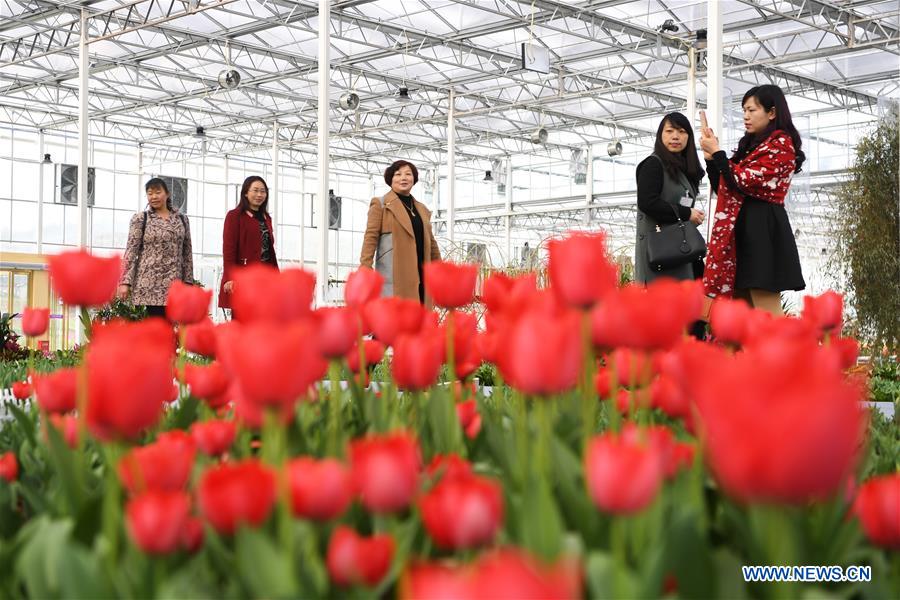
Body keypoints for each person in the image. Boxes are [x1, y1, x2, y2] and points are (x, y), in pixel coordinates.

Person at [699, 84, 806, 316]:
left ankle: (777, 352)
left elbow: (744, 180)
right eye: (744, 110)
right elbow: (725, 186)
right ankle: (743, 353)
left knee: (765, 311)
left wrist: (718, 153)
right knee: (741, 314)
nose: (746, 116)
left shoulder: (781, 146)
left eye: (752, 110)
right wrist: (711, 159)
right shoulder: (751, 147)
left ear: (772, 112)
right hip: (742, 234)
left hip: (762, 233)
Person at [634, 111, 706, 284]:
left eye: (682, 132)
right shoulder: (653, 164)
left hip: (679, 253)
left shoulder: (686, 171)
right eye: (669, 131)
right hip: (659, 254)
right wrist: (687, 213)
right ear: (660, 136)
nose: (675, 136)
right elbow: (647, 202)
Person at [360, 160, 441, 304]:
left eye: (408, 174)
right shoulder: (381, 204)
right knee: (398, 318)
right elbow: (370, 237)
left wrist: (441, 269)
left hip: (423, 276)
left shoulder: (422, 209)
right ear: (390, 179)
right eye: (398, 174)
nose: (403, 178)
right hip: (395, 276)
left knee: (421, 319)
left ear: (414, 179)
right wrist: (365, 266)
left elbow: (431, 242)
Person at [118, 178, 195, 318]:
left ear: (167, 194)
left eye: (158, 192)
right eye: (150, 193)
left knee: (171, 326)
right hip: (150, 284)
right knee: (157, 326)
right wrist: (125, 282)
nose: (153, 197)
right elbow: (131, 250)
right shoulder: (141, 219)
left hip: (174, 283)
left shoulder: (182, 219)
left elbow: (187, 253)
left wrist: (188, 282)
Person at [218, 176, 279, 313]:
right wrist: (230, 278)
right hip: (244, 279)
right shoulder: (234, 216)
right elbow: (229, 249)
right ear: (246, 192)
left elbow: (269, 250)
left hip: (265, 279)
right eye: (255, 190)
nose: (259, 195)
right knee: (243, 322)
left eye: (263, 191)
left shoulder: (266, 218)